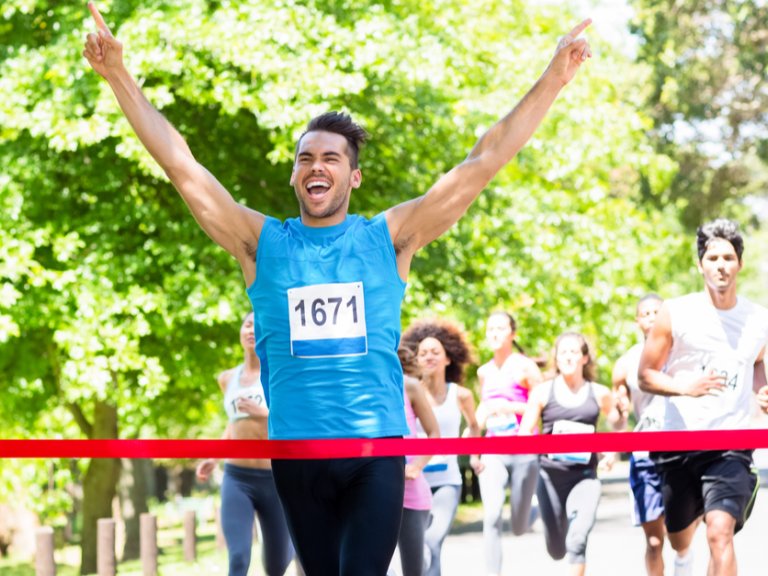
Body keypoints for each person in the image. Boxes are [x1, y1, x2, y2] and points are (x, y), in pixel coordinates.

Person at [83, 2, 592, 572]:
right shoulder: (260, 243)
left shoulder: (390, 238)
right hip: (297, 453)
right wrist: (117, 76)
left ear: (353, 176)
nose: (315, 165)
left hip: (374, 450)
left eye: (330, 157)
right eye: (305, 158)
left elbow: (482, 162)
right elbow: (183, 166)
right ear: (295, 173)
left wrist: (553, 78)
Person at [639, 219, 768, 576]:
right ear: (700, 265)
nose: (721, 265)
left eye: (728, 257)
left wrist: (762, 389)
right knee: (679, 537)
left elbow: (757, 360)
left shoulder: (758, 319)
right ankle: (683, 557)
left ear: (740, 263)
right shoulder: (675, 313)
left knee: (720, 534)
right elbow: (645, 375)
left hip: (730, 445)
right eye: (712, 258)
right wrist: (684, 387)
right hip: (678, 442)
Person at [195, 312, 294, 576]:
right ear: (241, 331)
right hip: (237, 477)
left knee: (277, 565)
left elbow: (297, 420)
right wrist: (214, 456)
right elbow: (234, 425)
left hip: (275, 479)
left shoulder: (279, 375)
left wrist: (263, 413)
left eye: (258, 326)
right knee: (238, 556)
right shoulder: (227, 378)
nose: (252, 330)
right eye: (248, 324)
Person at [519, 332, 623, 576]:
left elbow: (616, 424)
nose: (568, 357)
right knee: (557, 549)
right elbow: (525, 431)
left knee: (577, 539)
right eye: (562, 352)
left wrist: (611, 453)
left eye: (574, 352)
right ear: (556, 359)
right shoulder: (543, 393)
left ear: (584, 358)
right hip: (549, 478)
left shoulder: (599, 393)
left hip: (584, 476)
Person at [401, 319, 482, 576]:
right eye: (423, 352)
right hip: (414, 478)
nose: (429, 357)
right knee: (417, 549)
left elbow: (474, 426)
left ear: (448, 359)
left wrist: (475, 455)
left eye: (435, 352)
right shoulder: (409, 392)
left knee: (432, 541)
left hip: (446, 480)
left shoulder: (461, 395)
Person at [612, 294, 680, 576]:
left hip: (681, 449)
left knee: (680, 537)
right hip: (644, 454)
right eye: (646, 313)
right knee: (654, 541)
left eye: (657, 311)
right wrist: (619, 411)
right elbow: (617, 420)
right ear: (637, 321)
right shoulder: (626, 363)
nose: (652, 317)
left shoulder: (682, 352)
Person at [474, 311, 542, 576]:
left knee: (518, 526)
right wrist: (474, 448)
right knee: (490, 517)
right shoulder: (483, 372)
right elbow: (483, 410)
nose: (494, 333)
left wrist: (509, 405)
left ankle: (532, 512)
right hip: (493, 451)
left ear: (513, 334)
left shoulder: (526, 367)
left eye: (501, 328)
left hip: (525, 451)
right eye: (490, 328)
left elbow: (542, 406)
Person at [391, 346, 440, 576]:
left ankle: (426, 557)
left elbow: (434, 434)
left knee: (414, 570)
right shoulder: (361, 388)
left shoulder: (409, 385)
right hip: (372, 488)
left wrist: (417, 466)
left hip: (410, 492)